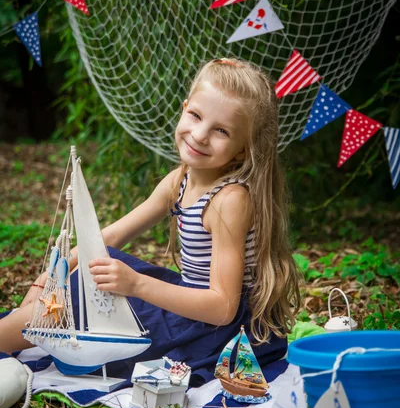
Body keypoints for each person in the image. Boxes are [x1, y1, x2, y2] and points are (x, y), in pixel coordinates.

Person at [0, 57, 301, 386]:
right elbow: (113, 235)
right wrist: (49, 278)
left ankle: (15, 332)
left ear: (242, 150)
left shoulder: (229, 201)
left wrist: (136, 285)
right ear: (184, 108)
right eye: (196, 116)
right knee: (95, 269)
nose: (200, 135)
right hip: (192, 305)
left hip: (214, 331)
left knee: (84, 307)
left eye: (222, 131)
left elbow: (223, 307)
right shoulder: (180, 179)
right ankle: (25, 325)